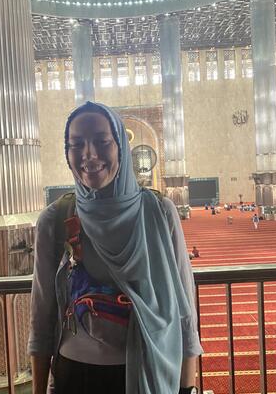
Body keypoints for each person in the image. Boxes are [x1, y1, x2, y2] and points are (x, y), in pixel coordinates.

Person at [28, 102, 202, 394]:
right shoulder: (56, 219)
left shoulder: (158, 213)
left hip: (149, 372)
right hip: (76, 377)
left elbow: (184, 310)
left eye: (101, 141)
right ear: (67, 154)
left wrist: (187, 388)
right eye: (76, 144)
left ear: (120, 146)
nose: (89, 154)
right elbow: (42, 317)